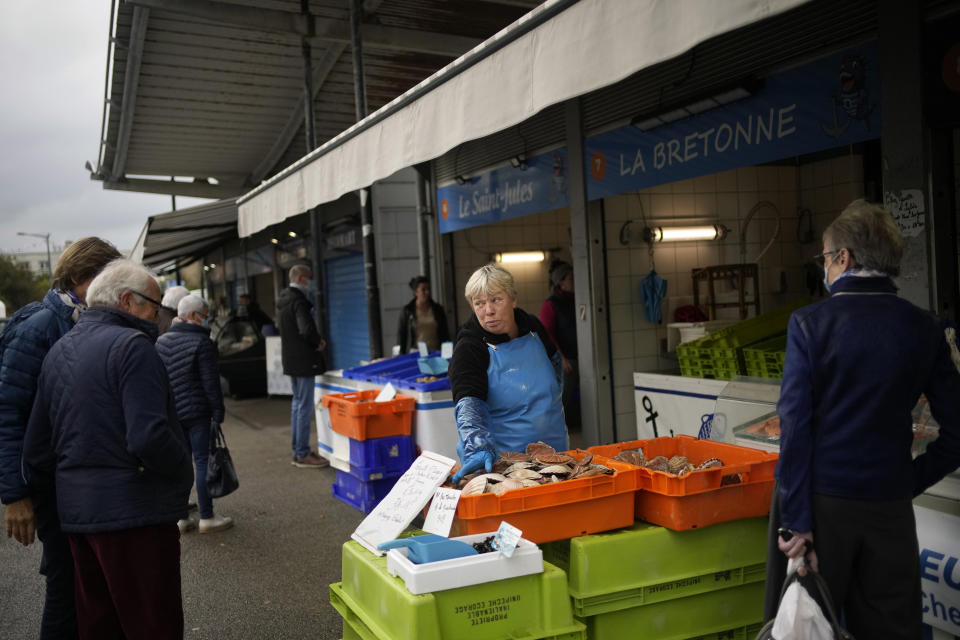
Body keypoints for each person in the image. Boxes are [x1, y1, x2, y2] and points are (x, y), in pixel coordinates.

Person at [774, 200, 960, 638]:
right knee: (892, 629)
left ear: (844, 258)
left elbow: (795, 431)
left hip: (823, 514)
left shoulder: (808, 325)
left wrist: (796, 521)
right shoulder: (925, 328)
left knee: (814, 627)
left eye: (825, 257)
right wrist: (907, 481)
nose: (824, 267)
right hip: (890, 510)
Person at [23, 258, 194, 640]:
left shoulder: (59, 351)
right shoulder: (134, 346)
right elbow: (149, 437)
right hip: (136, 517)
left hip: (80, 521)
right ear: (127, 301)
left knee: (99, 626)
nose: (158, 317)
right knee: (153, 625)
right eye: (154, 306)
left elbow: (36, 449)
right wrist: (184, 469)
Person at [0, 236, 121, 639]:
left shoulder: (82, 320)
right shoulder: (39, 326)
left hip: (79, 482)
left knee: (88, 588)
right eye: (106, 278)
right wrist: (14, 496)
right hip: (51, 486)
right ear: (77, 277)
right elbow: (7, 412)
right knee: (66, 591)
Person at [448, 263, 567, 482]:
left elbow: (556, 367)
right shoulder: (469, 346)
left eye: (496, 300)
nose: (488, 311)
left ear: (513, 299)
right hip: (507, 466)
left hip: (556, 454)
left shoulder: (533, 327)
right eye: (479, 303)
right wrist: (478, 447)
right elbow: (468, 403)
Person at [156, 294, 233, 535]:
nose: (206, 319)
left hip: (173, 414)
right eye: (205, 315)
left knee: (181, 464)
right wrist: (218, 412)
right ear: (192, 316)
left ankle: (180, 517)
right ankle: (207, 517)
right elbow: (211, 384)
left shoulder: (161, 342)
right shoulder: (203, 343)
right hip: (198, 413)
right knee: (202, 463)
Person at [277, 264, 329, 468]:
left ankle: (298, 450)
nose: (311, 282)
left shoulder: (283, 300)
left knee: (297, 406)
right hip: (304, 361)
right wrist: (319, 342)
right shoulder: (299, 301)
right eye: (309, 278)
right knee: (305, 408)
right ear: (300, 279)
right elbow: (306, 329)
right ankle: (303, 453)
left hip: (291, 360)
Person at [538, 260, 580, 428]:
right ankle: (556, 428)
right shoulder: (551, 305)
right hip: (566, 359)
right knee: (563, 396)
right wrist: (560, 358)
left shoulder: (578, 300)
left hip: (581, 356)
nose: (574, 281)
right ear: (561, 282)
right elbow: (546, 334)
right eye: (571, 278)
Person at [396, 276, 450, 353]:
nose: (427, 292)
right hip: (415, 353)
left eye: (428, 289)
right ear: (415, 292)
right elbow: (401, 336)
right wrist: (400, 355)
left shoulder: (438, 310)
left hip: (435, 352)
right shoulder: (407, 311)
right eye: (423, 290)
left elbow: (445, 334)